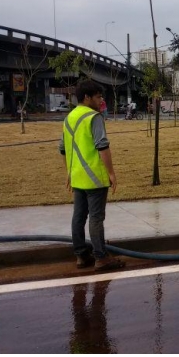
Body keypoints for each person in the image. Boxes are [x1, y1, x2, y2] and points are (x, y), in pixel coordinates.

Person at [59, 80, 125, 272]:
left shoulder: (69, 118)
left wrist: (69, 173)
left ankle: (81, 255)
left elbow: (62, 148)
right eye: (98, 96)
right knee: (96, 218)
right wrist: (111, 173)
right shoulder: (93, 117)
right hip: (95, 178)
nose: (101, 100)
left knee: (78, 217)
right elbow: (102, 146)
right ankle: (101, 257)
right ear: (86, 97)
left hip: (78, 177)